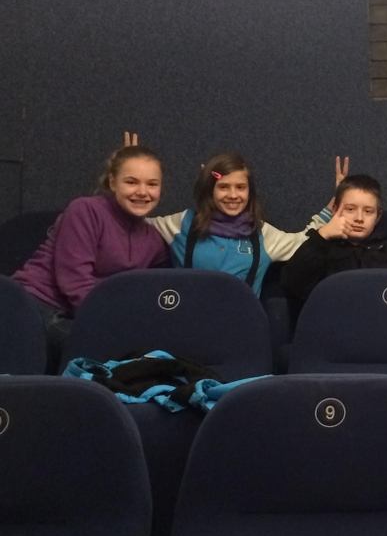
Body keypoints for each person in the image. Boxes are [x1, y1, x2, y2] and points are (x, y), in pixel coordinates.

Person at [13, 141, 170, 370]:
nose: (142, 192)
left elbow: (160, 290)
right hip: (36, 306)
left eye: (152, 184)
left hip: (82, 315)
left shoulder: (153, 240)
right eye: (131, 182)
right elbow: (75, 283)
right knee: (103, 356)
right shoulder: (85, 210)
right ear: (113, 182)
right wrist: (115, 327)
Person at [146, 149, 333, 296]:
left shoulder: (262, 234)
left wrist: (331, 211)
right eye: (223, 187)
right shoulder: (183, 224)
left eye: (241, 187)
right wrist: (136, 174)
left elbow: (302, 242)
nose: (233, 195)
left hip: (241, 324)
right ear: (210, 190)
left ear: (249, 191)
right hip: (188, 321)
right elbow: (138, 223)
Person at [281, 173, 387, 302]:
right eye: (350, 209)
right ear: (335, 210)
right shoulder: (320, 247)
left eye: (368, 211)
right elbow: (293, 288)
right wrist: (321, 236)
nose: (359, 218)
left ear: (377, 217)